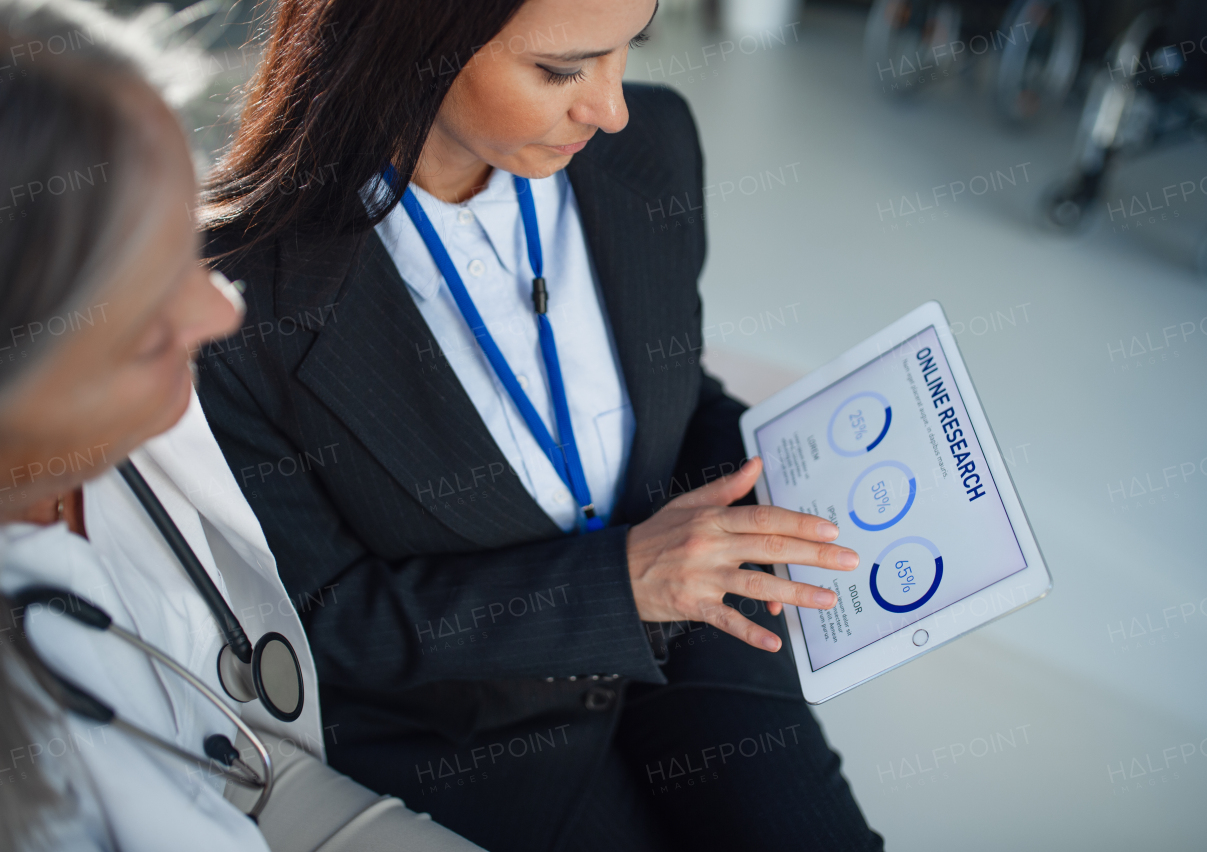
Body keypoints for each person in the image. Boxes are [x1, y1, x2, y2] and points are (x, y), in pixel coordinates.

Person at [197, 0, 886, 849]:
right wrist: (619, 586)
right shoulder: (233, 303)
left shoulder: (652, 146)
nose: (612, 107)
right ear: (408, 41)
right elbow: (324, 621)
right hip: (483, 740)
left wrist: (792, 469)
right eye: (562, 71)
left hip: (702, 638)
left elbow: (676, 392)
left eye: (629, 49)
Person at [0, 1, 485, 849]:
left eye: (184, 246)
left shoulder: (125, 442)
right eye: (151, 312)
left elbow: (223, 746)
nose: (221, 312)